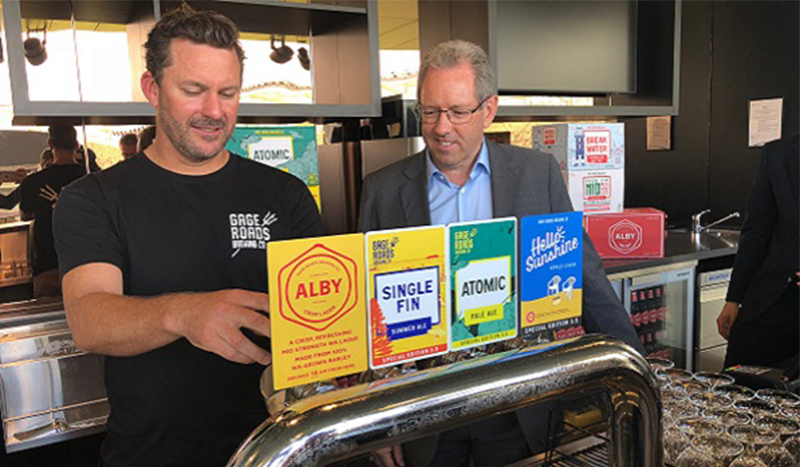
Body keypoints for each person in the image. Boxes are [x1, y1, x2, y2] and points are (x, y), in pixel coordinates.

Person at [53, 5, 323, 467]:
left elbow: (323, 314)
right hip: (153, 455)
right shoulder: (93, 199)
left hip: (278, 450)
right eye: (194, 91)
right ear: (152, 89)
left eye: (229, 92)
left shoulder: (285, 193)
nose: (214, 111)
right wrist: (185, 313)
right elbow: (89, 318)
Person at [358, 40, 644, 467]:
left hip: (519, 406)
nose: (441, 127)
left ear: (488, 110)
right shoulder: (382, 189)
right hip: (424, 413)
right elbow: (367, 311)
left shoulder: (537, 174)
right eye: (431, 111)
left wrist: (634, 375)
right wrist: (370, 421)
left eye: (457, 112)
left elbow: (585, 277)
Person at [717, 135, 799, 369]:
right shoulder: (778, 154)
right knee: (736, 384)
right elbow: (756, 231)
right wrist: (734, 298)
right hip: (772, 296)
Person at [19, 126, 87, 297]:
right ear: (77, 145)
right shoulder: (92, 179)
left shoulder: (32, 182)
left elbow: (25, 215)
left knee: (49, 321)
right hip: (87, 265)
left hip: (47, 266)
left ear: (50, 144)